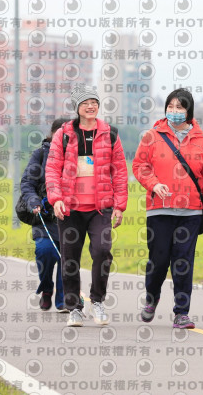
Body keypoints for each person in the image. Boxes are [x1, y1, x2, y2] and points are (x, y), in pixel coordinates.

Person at [132, 88, 203, 329]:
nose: (174, 111)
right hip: (160, 210)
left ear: (188, 111)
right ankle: (152, 298)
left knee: (183, 262)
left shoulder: (202, 141)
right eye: (170, 107)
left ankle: (182, 312)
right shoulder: (152, 136)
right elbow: (139, 166)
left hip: (191, 212)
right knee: (159, 260)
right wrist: (154, 184)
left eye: (179, 107)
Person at [45, 86, 128, 327]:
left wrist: (120, 205)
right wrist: (56, 199)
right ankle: (74, 308)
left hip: (100, 208)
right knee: (70, 258)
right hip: (70, 208)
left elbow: (119, 172)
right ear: (77, 108)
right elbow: (52, 169)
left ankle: (97, 301)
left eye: (94, 102)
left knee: (102, 251)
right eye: (85, 103)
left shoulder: (110, 134)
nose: (90, 106)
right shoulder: (64, 134)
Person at [20, 118, 70, 312]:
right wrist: (33, 201)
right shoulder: (40, 154)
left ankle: (63, 300)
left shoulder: (79, 156)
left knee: (67, 258)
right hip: (45, 215)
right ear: (52, 134)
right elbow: (27, 182)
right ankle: (47, 288)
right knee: (45, 251)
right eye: (60, 134)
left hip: (71, 216)